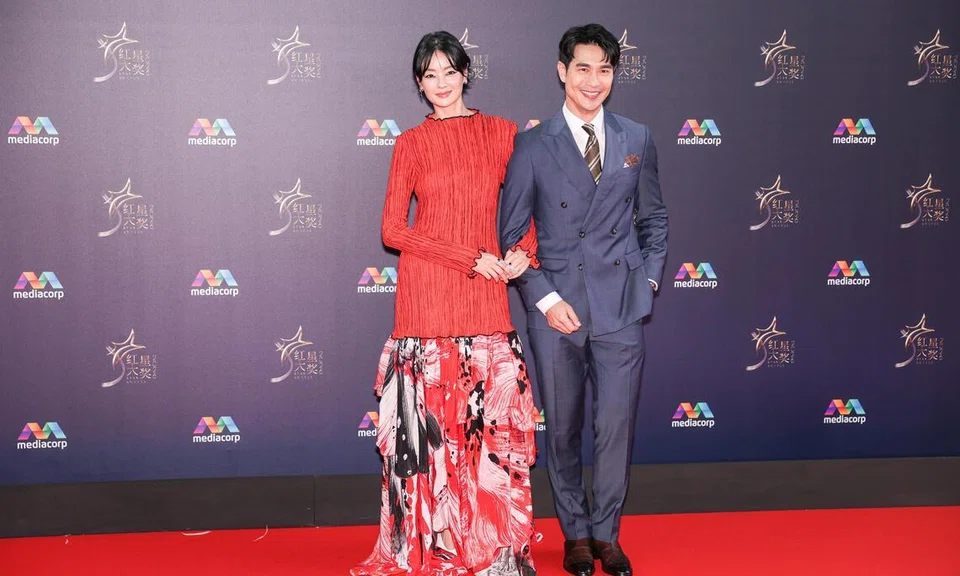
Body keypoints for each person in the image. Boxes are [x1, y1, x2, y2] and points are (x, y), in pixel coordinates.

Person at [352, 31, 540, 576]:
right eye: (429, 75)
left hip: (484, 296)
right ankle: (429, 546)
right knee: (429, 436)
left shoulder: (503, 133)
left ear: (466, 74)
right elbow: (393, 229)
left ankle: (491, 547)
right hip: (428, 297)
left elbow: (528, 209)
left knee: (490, 431)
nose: (440, 84)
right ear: (419, 83)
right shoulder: (410, 143)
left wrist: (523, 251)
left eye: (449, 72)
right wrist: (468, 257)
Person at [498, 24, 668, 576]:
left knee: (616, 428)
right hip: (558, 312)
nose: (594, 81)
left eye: (605, 70)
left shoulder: (636, 137)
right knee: (565, 429)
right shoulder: (531, 145)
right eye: (583, 68)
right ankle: (574, 534)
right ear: (562, 71)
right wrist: (545, 299)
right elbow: (511, 235)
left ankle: (607, 535)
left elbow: (655, 219)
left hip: (621, 309)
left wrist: (647, 283)